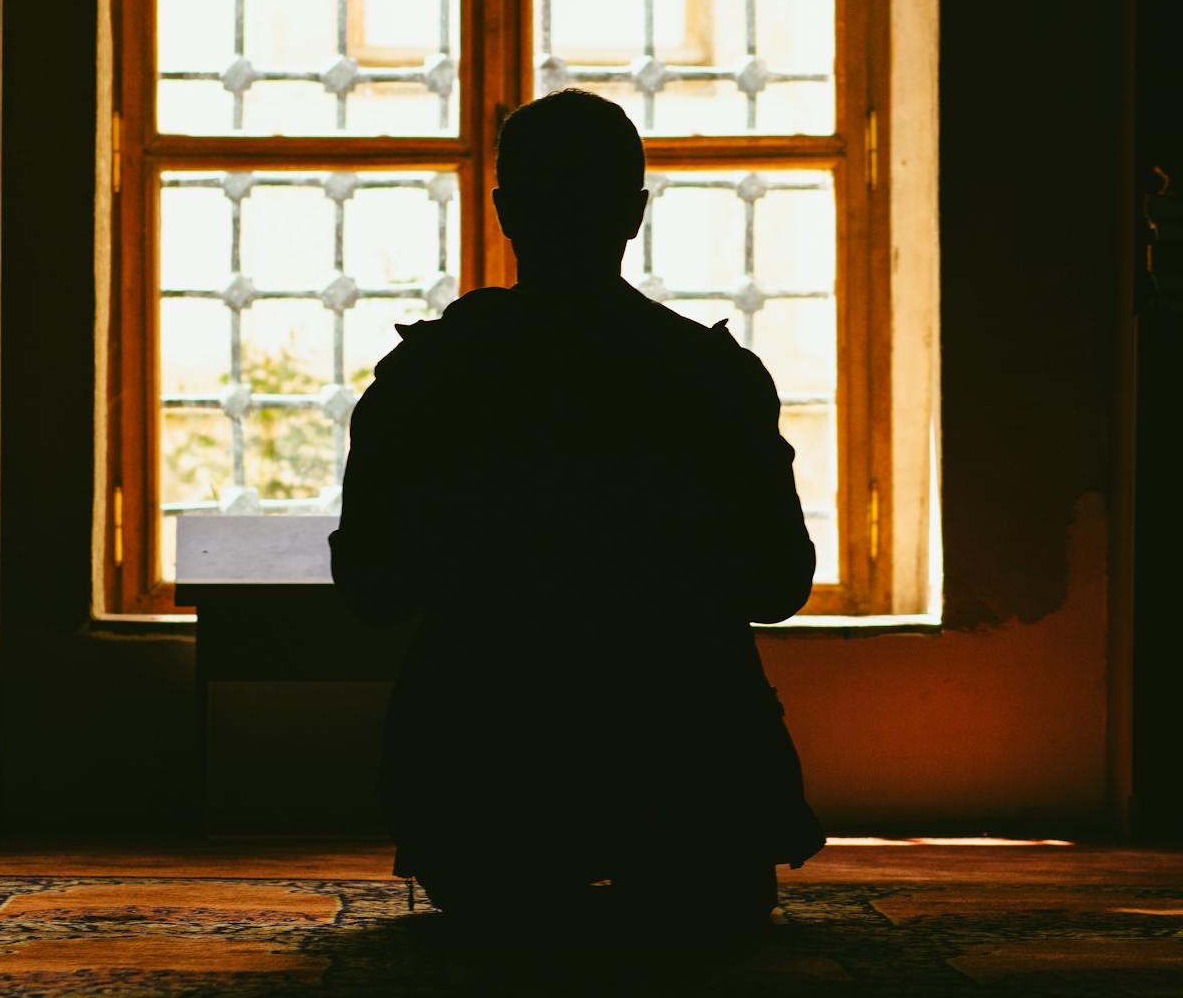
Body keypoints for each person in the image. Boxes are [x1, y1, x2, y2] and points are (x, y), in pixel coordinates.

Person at [329, 89, 823, 933]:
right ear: (634, 214)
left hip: (481, 774)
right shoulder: (712, 377)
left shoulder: (428, 378)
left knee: (501, 925)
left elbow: (372, 586)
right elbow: (779, 582)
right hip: (688, 769)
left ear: (505, 211)